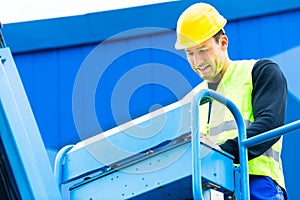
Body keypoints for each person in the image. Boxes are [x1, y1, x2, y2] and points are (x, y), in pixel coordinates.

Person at [175, 3, 288, 200]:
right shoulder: (191, 100)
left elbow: (269, 125)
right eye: (190, 53)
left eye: (203, 50)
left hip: (256, 185)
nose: (197, 61)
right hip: (209, 191)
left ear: (223, 43)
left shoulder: (259, 72)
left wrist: (220, 153)